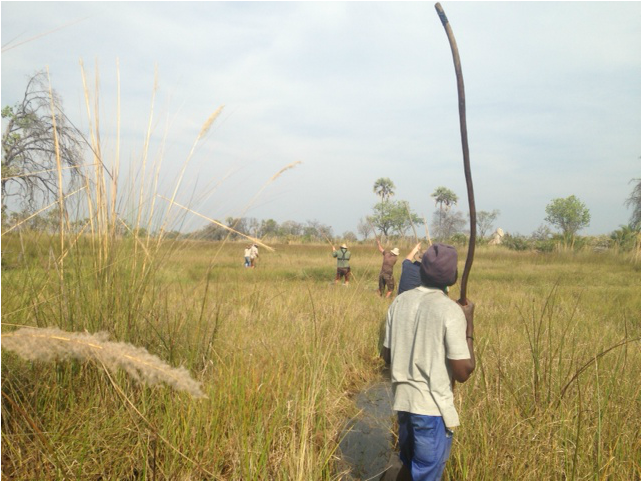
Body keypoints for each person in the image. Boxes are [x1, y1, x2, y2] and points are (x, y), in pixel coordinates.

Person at [381, 243, 475, 481]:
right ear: (453, 278)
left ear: (420, 271)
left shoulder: (399, 302)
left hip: (403, 404)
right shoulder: (450, 310)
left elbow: (387, 357)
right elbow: (463, 372)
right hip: (431, 411)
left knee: (410, 465)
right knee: (426, 474)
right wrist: (469, 323)